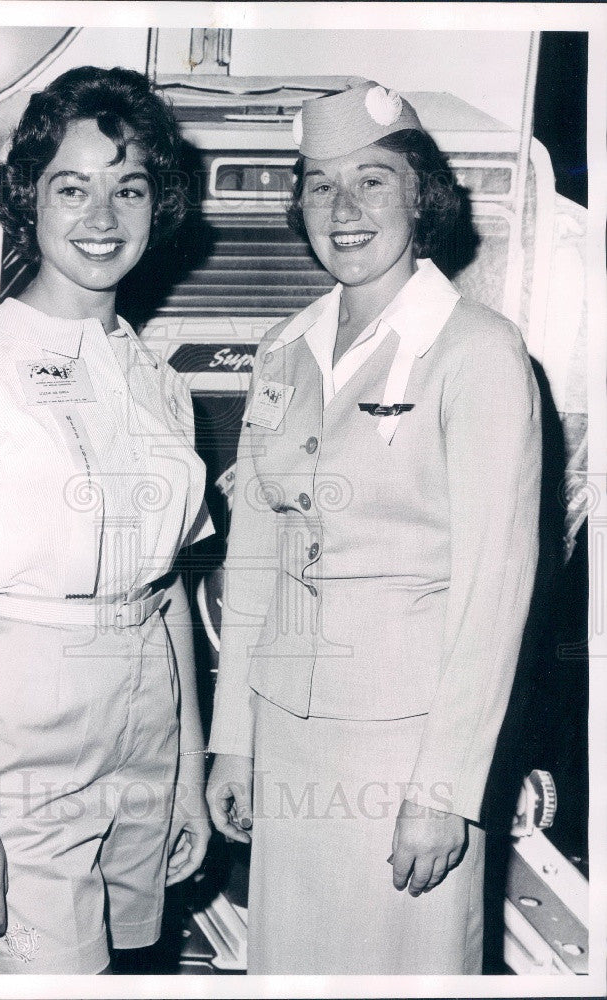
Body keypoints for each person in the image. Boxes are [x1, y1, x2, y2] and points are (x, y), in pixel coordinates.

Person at [206, 80, 541, 974]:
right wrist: (233, 741)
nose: (342, 208)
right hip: (286, 737)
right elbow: (254, 563)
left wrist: (442, 790)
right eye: (319, 184)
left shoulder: (478, 351)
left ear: (420, 194)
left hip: (404, 750)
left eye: (372, 181)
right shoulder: (284, 349)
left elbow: (492, 593)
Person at [0, 66, 212, 975]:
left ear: (160, 205)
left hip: (145, 721)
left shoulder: (158, 381)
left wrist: (187, 771)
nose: (102, 216)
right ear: (28, 202)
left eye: (129, 188)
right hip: (22, 730)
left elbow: (169, 593)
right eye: (72, 187)